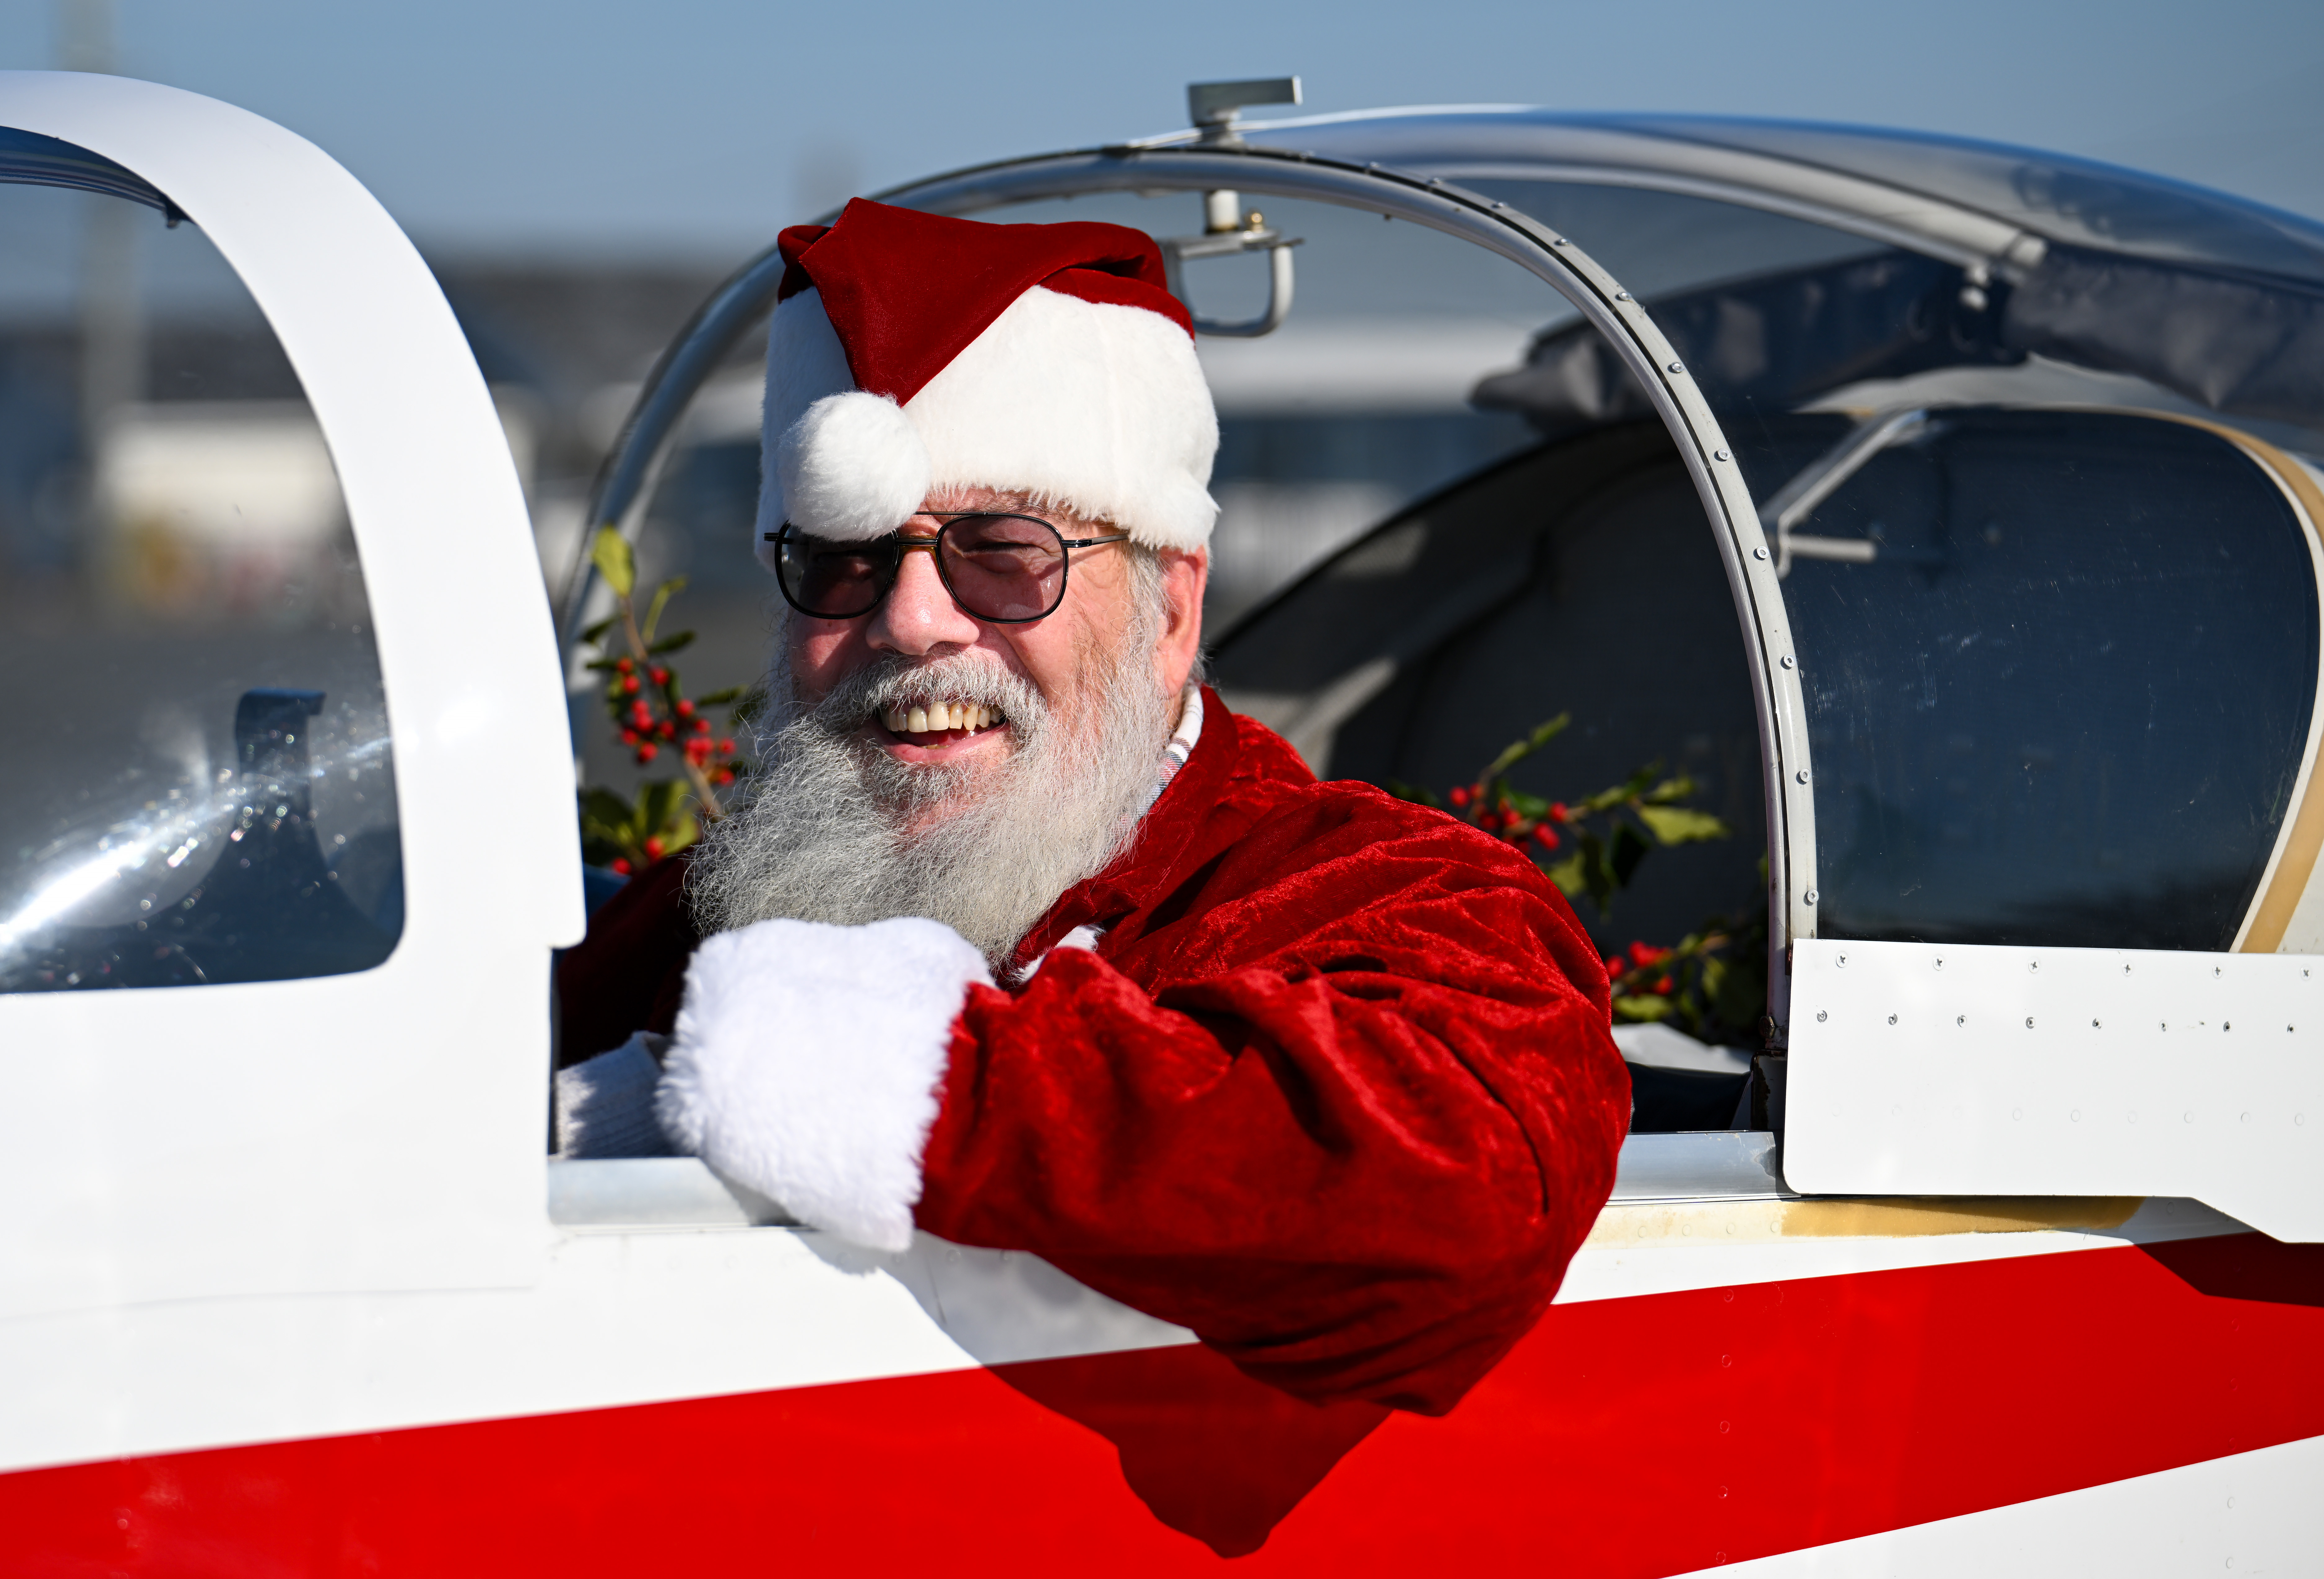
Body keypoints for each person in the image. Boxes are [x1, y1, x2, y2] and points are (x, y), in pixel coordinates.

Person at [553, 198, 1628, 1416]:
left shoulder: (1371, 889)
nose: (908, 622)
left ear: (1170, 614)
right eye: (841, 561)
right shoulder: (726, 898)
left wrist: (896, 1079)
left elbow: (1467, 1189)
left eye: (1003, 552)